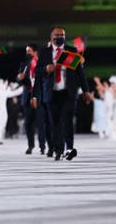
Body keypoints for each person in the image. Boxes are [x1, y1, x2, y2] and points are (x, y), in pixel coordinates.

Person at [35, 26, 93, 161]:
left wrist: (86, 91)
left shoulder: (71, 51)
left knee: (67, 120)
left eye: (62, 35)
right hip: (51, 92)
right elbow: (37, 73)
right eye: (57, 35)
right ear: (51, 37)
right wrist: (45, 69)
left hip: (68, 92)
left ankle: (69, 148)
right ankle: (58, 149)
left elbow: (80, 73)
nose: (59, 37)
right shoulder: (44, 52)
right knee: (54, 122)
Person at [16, 44, 46, 154]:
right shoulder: (24, 64)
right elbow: (18, 78)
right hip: (27, 96)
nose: (27, 53)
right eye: (26, 51)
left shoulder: (41, 63)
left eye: (29, 51)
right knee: (28, 123)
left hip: (39, 97)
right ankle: (30, 145)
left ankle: (42, 146)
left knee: (41, 123)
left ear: (35, 52)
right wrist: (19, 78)